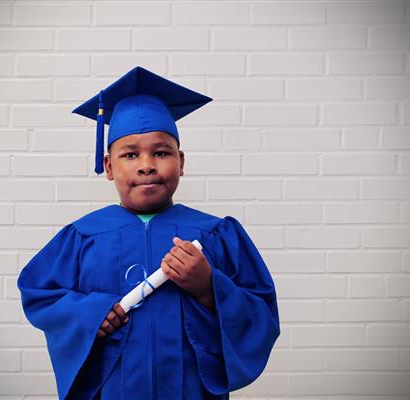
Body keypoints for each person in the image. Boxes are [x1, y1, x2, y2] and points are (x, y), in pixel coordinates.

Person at [16, 66, 280, 400]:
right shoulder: (82, 236)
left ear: (181, 162)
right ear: (109, 166)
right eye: (130, 154)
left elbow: (261, 313)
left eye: (161, 152)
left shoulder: (215, 234)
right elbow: (39, 293)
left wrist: (209, 287)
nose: (146, 165)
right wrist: (90, 314)